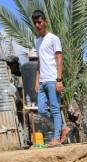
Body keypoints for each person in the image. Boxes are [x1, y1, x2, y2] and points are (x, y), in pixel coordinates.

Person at [32, 10, 70, 146]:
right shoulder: (37, 41)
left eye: (39, 22)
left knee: (54, 108)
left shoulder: (53, 38)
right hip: (42, 81)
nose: (37, 25)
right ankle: (64, 127)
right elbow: (39, 62)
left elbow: (60, 58)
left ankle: (56, 138)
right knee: (42, 110)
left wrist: (59, 80)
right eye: (35, 22)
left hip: (53, 79)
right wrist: (37, 81)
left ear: (45, 22)